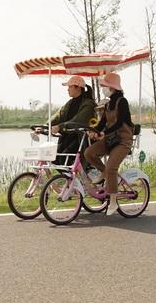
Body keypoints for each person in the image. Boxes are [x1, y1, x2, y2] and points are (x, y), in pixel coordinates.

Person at [84, 72, 134, 215]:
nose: (102, 89)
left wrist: (104, 133)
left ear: (112, 87)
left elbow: (119, 123)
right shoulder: (107, 104)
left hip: (123, 140)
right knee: (89, 153)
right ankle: (104, 172)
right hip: (110, 140)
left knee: (112, 167)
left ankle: (113, 202)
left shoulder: (122, 101)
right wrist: (93, 130)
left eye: (104, 86)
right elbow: (102, 123)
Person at [48, 75, 96, 165]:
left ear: (78, 88)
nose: (68, 89)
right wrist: (46, 125)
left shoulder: (88, 104)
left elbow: (77, 121)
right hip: (67, 137)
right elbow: (59, 115)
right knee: (54, 159)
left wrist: (60, 126)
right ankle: (68, 178)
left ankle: (72, 178)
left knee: (64, 158)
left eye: (70, 87)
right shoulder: (70, 103)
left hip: (80, 139)